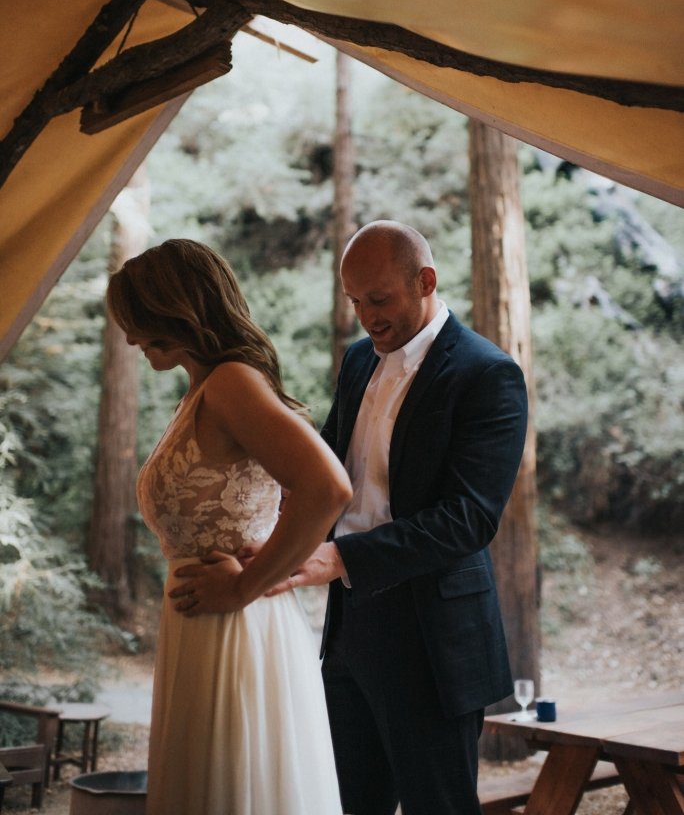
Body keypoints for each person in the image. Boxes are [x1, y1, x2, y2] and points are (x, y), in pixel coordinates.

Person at [174, 220, 528, 815]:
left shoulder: (487, 374)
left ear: (426, 281)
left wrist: (335, 557)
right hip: (347, 632)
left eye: (379, 299)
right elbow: (325, 467)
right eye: (355, 301)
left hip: (433, 642)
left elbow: (468, 520)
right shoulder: (360, 359)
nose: (366, 316)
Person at [106, 238, 351, 815]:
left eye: (137, 322)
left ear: (175, 312)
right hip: (204, 628)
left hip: (233, 623)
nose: (129, 338)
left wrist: (244, 586)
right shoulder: (203, 389)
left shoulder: (231, 384)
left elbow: (328, 488)